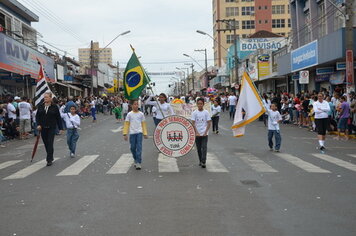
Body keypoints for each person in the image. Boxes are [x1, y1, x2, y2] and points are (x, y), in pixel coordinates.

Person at [36, 92, 63, 166]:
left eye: (47, 97)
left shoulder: (54, 107)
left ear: (51, 98)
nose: (45, 98)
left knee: (50, 143)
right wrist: (38, 124)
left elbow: (58, 118)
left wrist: (61, 128)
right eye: (44, 97)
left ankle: (49, 159)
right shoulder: (41, 106)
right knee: (46, 144)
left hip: (51, 128)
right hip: (43, 128)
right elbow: (37, 116)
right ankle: (50, 155)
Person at [123, 99, 148, 170]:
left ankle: (138, 162)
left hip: (139, 133)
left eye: (137, 104)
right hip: (132, 133)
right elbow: (126, 124)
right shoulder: (129, 114)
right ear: (131, 106)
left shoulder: (141, 114)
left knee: (139, 147)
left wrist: (145, 133)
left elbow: (143, 125)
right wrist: (125, 134)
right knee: (132, 148)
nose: (136, 105)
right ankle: (135, 159)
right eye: (134, 104)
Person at [191, 98, 212, 168]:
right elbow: (193, 123)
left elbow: (209, 123)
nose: (200, 105)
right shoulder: (194, 113)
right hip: (197, 134)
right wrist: (196, 132)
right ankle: (200, 160)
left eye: (201, 104)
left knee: (204, 147)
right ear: (197, 104)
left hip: (204, 134)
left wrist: (206, 132)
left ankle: (203, 162)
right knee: (199, 148)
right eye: (198, 104)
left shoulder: (206, 112)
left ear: (203, 104)